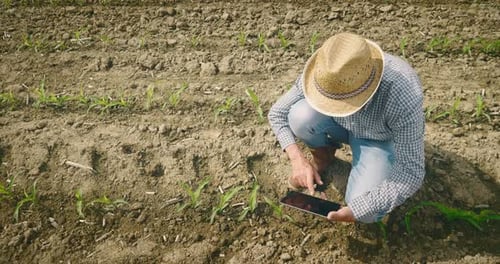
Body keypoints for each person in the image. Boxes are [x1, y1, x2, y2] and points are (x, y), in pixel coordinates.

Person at [268, 32, 425, 223]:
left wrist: (357, 210)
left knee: (367, 211)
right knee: (301, 116)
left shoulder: (401, 91)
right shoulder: (326, 72)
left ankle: (374, 176)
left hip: (378, 139)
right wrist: (297, 159)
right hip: (339, 125)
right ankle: (323, 156)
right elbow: (277, 113)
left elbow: (411, 171)